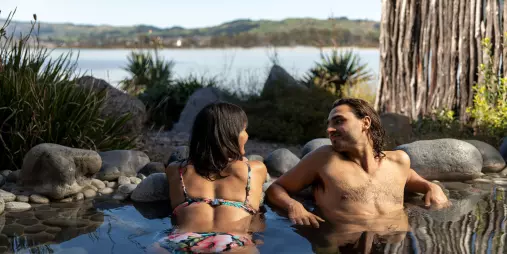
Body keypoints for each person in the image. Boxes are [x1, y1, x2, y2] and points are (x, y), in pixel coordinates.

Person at [266, 98, 450, 229]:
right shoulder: (324, 159)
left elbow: (408, 176)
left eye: (339, 121)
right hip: (344, 244)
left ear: (366, 123)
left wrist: (431, 187)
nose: (329, 129)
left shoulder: (398, 161)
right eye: (329, 124)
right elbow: (276, 188)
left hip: (394, 243)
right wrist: (294, 206)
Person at [153, 102, 268, 253]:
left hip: (182, 240)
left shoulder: (176, 170)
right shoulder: (254, 169)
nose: (247, 135)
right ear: (232, 134)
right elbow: (258, 219)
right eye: (244, 130)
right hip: (234, 242)